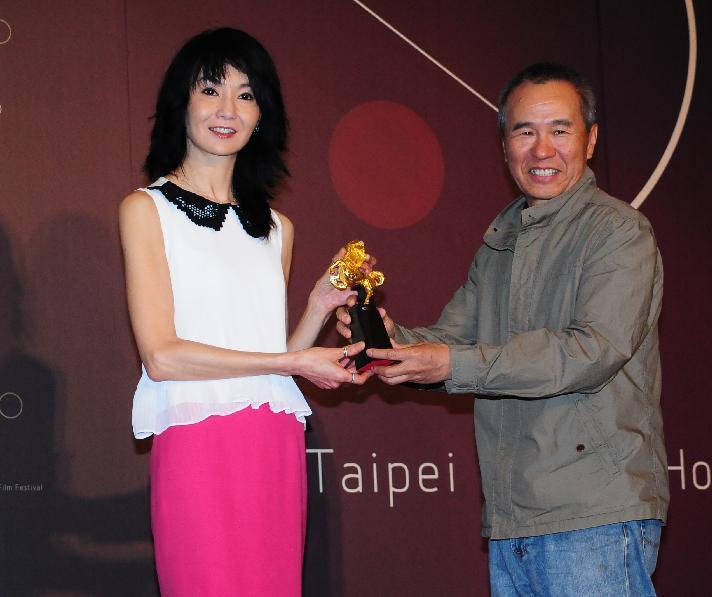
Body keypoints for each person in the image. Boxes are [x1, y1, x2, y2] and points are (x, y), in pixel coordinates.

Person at [339, 62, 668, 595]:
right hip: (512, 519)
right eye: (524, 131)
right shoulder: (501, 242)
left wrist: (451, 361)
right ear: (504, 144)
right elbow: (456, 341)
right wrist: (391, 341)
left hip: (593, 514)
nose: (542, 150)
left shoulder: (619, 232)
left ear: (590, 140)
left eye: (559, 130)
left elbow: (590, 351)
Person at [119, 28, 370, 596]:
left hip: (273, 443)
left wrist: (315, 308)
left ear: (263, 115)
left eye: (247, 94)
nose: (228, 109)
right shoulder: (146, 210)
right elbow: (162, 357)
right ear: (180, 103)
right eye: (211, 90)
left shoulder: (278, 229)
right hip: (196, 441)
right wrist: (297, 359)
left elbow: (272, 361)